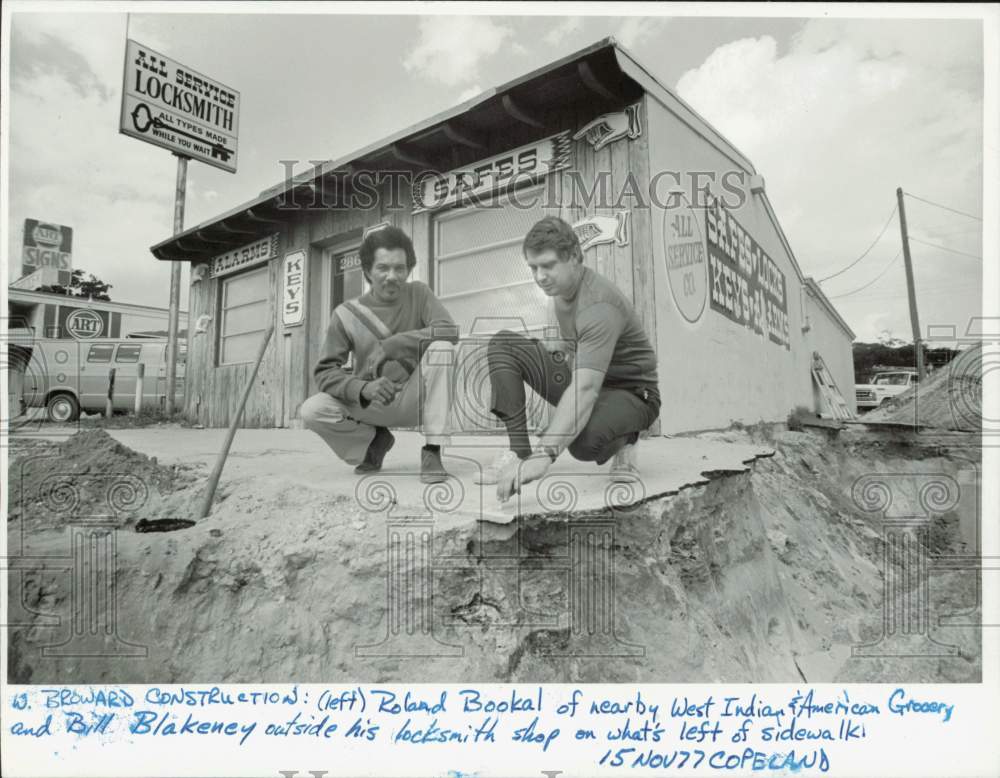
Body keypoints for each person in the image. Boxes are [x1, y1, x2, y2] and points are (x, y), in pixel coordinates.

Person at [480, 215, 660, 501]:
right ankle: (518, 452)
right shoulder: (561, 291)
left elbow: (585, 389)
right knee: (505, 344)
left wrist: (546, 453)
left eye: (548, 265)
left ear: (575, 256)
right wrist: (550, 353)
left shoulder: (598, 304)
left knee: (583, 442)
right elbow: (575, 348)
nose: (539, 276)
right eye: (533, 267)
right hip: (587, 377)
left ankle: (628, 437)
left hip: (633, 392)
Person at [300, 226, 459, 483]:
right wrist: (362, 388)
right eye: (383, 268)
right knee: (312, 409)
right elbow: (325, 372)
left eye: (400, 268)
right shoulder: (346, 313)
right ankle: (374, 440)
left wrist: (395, 343)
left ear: (408, 269)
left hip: (417, 400)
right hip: (372, 403)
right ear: (367, 272)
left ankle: (433, 450)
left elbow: (450, 331)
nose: (392, 276)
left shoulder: (419, 293)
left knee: (443, 348)